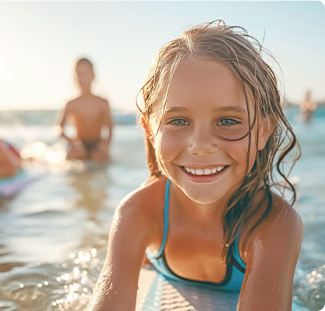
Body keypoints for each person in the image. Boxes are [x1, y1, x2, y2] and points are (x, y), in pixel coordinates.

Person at [88, 20, 303, 310]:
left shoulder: (272, 223)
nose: (200, 145)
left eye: (228, 121)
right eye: (178, 121)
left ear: (264, 130)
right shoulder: (138, 212)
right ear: (150, 131)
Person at [58, 58, 113, 161]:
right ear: (74, 77)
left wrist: (105, 145)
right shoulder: (71, 104)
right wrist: (72, 142)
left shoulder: (103, 102)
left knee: (103, 157)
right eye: (79, 74)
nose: (82, 78)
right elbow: (59, 129)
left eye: (85, 74)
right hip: (78, 144)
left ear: (93, 75)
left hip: (97, 143)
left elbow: (110, 128)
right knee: (72, 156)